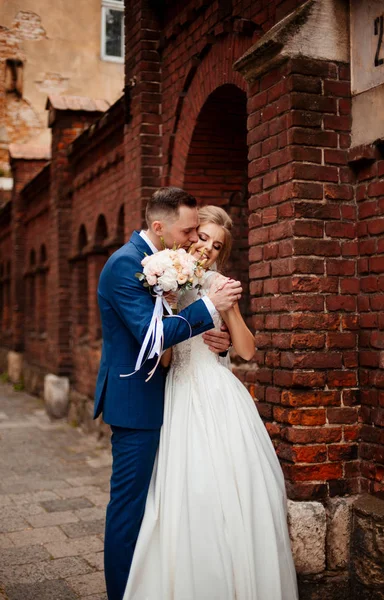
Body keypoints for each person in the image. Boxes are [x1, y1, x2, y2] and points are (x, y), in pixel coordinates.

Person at [123, 205, 299, 600]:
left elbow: (247, 350)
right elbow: (164, 357)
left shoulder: (222, 283)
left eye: (217, 246)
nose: (207, 249)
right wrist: (165, 305)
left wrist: (226, 307)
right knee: (186, 489)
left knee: (233, 484)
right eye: (202, 237)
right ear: (189, 235)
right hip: (180, 393)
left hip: (219, 393)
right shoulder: (164, 281)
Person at [94, 188, 242, 600]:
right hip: (137, 405)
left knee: (164, 506)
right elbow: (154, 336)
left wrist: (220, 338)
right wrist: (209, 307)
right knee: (130, 508)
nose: (193, 239)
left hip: (173, 399)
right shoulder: (126, 266)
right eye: (188, 229)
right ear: (159, 227)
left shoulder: (161, 263)